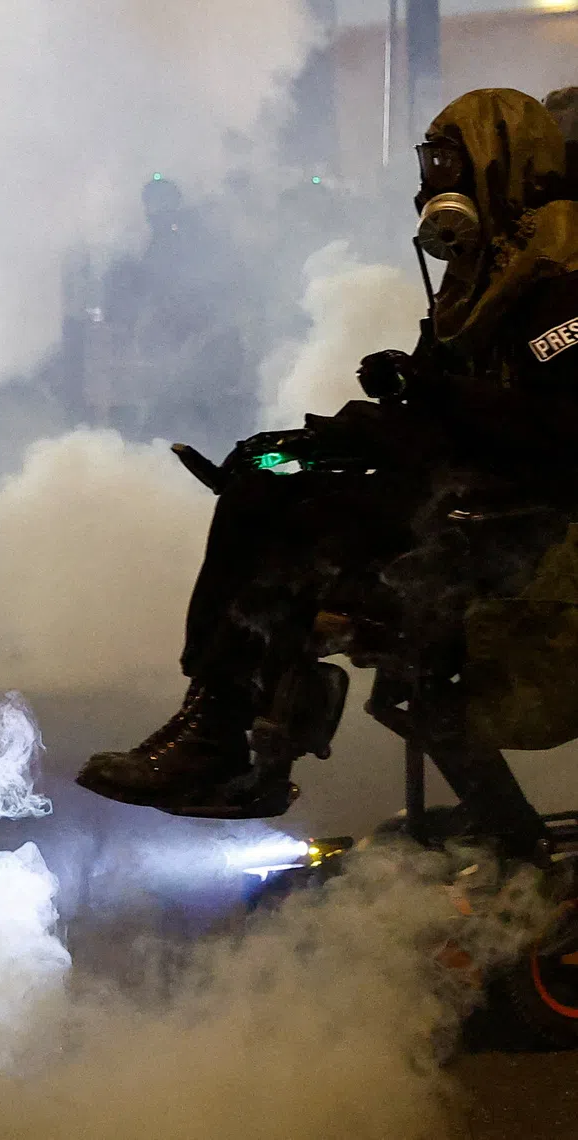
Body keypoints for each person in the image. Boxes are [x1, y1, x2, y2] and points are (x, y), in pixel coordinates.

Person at [77, 88, 578, 818]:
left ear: (502, 166)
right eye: (432, 164)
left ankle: (229, 741)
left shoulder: (561, 280)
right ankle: (219, 727)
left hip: (521, 528)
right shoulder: (479, 278)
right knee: (262, 484)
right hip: (454, 498)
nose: (434, 185)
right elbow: (427, 407)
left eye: (451, 164)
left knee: (305, 539)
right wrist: (308, 444)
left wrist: (432, 392)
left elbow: (556, 433)